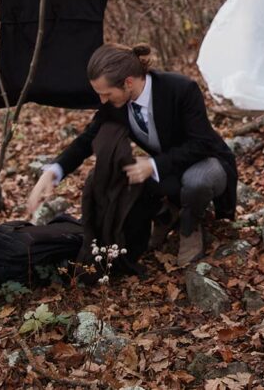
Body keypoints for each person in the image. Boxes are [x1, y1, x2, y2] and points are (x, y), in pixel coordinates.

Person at [27, 43, 238, 267]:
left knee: (197, 182)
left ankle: (190, 227)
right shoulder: (115, 104)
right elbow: (87, 139)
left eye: (106, 93)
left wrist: (154, 165)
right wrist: (54, 170)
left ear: (128, 82)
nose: (103, 101)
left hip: (208, 161)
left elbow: (202, 143)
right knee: (122, 173)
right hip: (170, 170)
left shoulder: (181, 88)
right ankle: (166, 215)